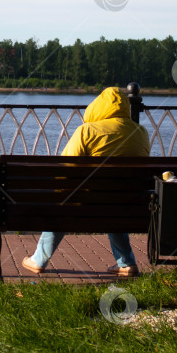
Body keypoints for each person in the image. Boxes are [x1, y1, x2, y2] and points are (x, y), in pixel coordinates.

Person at [21, 86, 151, 276]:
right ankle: (126, 263)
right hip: (127, 206)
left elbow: (65, 169)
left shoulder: (87, 131)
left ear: (98, 107)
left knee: (64, 201)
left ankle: (38, 259)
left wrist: (54, 194)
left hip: (85, 208)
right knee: (113, 201)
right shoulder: (140, 133)